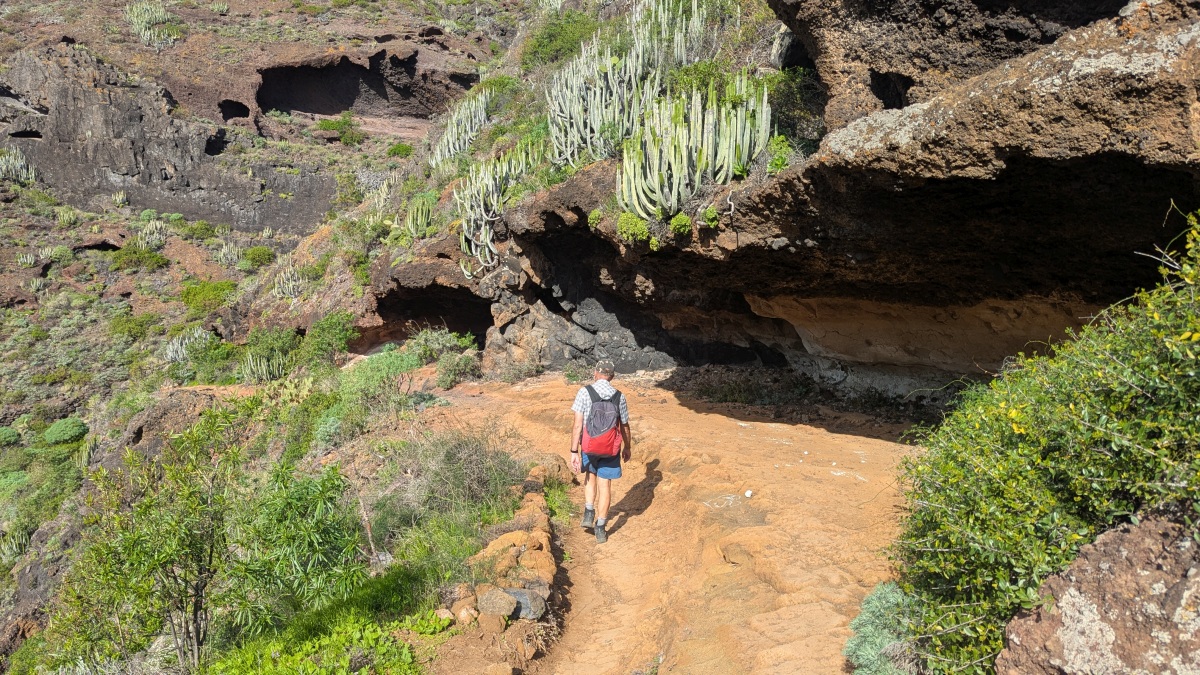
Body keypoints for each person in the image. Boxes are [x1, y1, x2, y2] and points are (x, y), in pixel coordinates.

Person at [569, 360, 631, 544]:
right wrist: (627, 447)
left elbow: (577, 425)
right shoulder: (620, 396)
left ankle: (589, 512)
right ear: (612, 376)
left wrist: (574, 451)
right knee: (606, 486)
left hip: (589, 445)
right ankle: (601, 527)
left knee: (590, 475)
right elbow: (625, 426)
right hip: (610, 448)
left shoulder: (585, 392)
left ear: (596, 373)